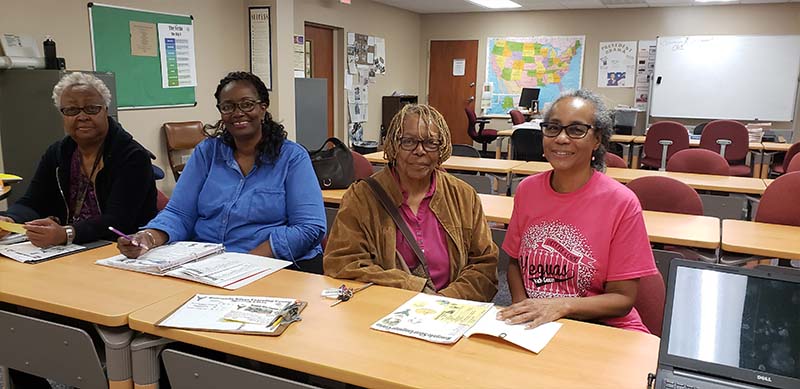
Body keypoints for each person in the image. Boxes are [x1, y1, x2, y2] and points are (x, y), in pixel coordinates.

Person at [117, 71, 326, 273]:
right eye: (228, 106)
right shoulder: (207, 152)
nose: (237, 113)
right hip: (207, 266)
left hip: (275, 265)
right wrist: (148, 237)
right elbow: (179, 213)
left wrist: (246, 262)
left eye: (247, 104)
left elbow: (309, 228)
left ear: (263, 108)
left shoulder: (292, 157)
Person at [498, 90, 658, 333]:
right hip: (539, 326)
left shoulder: (621, 203)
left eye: (576, 130)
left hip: (603, 329)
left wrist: (561, 307)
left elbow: (623, 299)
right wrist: (523, 310)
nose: (561, 138)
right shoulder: (527, 190)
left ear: (597, 140)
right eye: (553, 128)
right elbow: (514, 263)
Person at [324, 104, 498, 302]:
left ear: (442, 148)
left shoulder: (464, 196)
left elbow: (485, 265)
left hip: (451, 311)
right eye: (408, 141)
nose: (420, 151)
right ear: (393, 145)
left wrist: (444, 300)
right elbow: (343, 263)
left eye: (431, 143)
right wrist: (415, 289)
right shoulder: (361, 198)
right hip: (386, 309)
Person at [0, 72, 157, 248]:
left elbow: (118, 221)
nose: (82, 116)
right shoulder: (58, 153)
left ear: (106, 110)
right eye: (72, 110)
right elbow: (32, 201)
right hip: (70, 247)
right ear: (63, 115)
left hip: (121, 248)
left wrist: (66, 233)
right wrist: (9, 219)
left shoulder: (132, 156)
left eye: (91, 108)